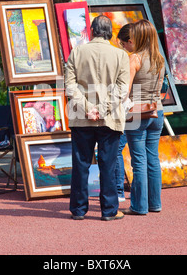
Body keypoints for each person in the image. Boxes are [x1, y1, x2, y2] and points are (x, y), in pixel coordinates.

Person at [65, 15, 130, 221]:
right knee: (108, 164)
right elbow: (122, 90)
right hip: (109, 118)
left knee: (80, 163)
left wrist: (87, 108)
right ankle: (109, 210)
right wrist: (101, 110)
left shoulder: (77, 52)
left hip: (81, 118)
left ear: (92, 30)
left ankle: (78, 210)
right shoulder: (121, 55)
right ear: (110, 32)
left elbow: (70, 86)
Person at [123, 19, 165, 215]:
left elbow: (125, 89)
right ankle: (155, 203)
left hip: (138, 114)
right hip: (157, 111)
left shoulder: (135, 58)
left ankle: (139, 206)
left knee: (138, 160)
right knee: (153, 159)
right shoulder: (159, 58)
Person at [115, 23, 135, 202]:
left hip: (129, 109)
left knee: (117, 149)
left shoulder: (132, 59)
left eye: (123, 44)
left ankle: (119, 190)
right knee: (142, 154)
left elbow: (125, 90)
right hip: (148, 110)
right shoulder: (153, 56)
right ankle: (143, 195)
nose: (123, 48)